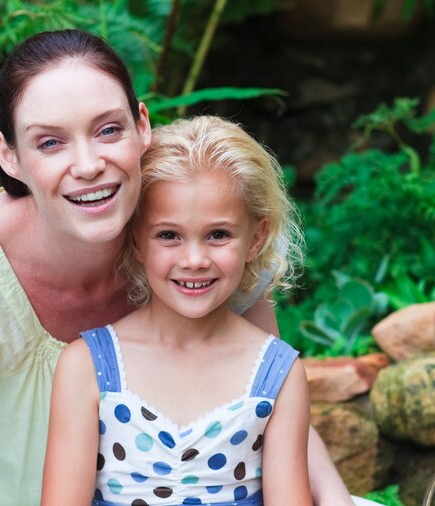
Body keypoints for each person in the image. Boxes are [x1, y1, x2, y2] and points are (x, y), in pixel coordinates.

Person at [0, 30, 353, 506]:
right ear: (9, 155)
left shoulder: (197, 214)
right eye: (49, 141)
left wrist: (334, 499)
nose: (87, 164)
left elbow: (263, 391)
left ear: (142, 126)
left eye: (108, 129)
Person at [41, 115, 312, 506]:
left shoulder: (278, 372)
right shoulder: (88, 366)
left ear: (257, 238)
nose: (195, 259)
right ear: (135, 240)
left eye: (218, 235)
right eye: (169, 235)